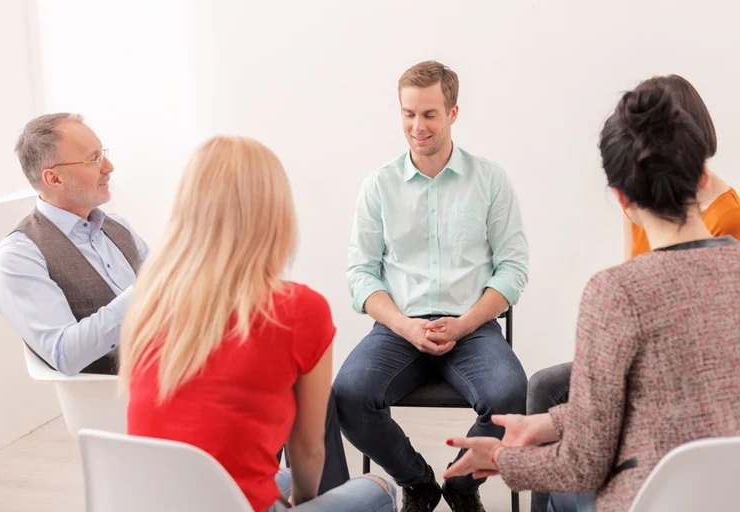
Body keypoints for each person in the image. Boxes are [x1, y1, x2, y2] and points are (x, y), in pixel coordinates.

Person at [443, 79, 740, 512]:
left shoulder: (614, 293)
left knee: (567, 495)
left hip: (647, 499)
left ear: (620, 197)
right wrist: (550, 422)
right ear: (702, 174)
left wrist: (502, 459)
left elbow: (583, 464)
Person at [121, 136, 395, 512]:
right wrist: (300, 505)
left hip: (154, 502)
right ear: (273, 213)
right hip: (230, 506)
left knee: (276, 477)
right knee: (378, 487)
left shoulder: (150, 299)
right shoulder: (299, 309)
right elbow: (309, 449)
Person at [333, 60, 529, 512]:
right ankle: (418, 482)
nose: (417, 127)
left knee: (510, 394)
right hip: (399, 330)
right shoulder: (379, 185)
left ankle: (462, 486)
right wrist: (404, 326)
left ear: (453, 113)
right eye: (408, 114)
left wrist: (463, 324)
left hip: (473, 327)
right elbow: (361, 274)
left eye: (429, 114)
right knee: (349, 395)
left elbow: (512, 269)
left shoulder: (491, 181)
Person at [0, 113, 149, 375]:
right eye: (94, 159)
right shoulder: (19, 256)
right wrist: (145, 292)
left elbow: (170, 294)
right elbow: (64, 353)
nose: (108, 167)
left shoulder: (119, 227)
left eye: (103, 153)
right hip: (120, 396)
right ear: (54, 179)